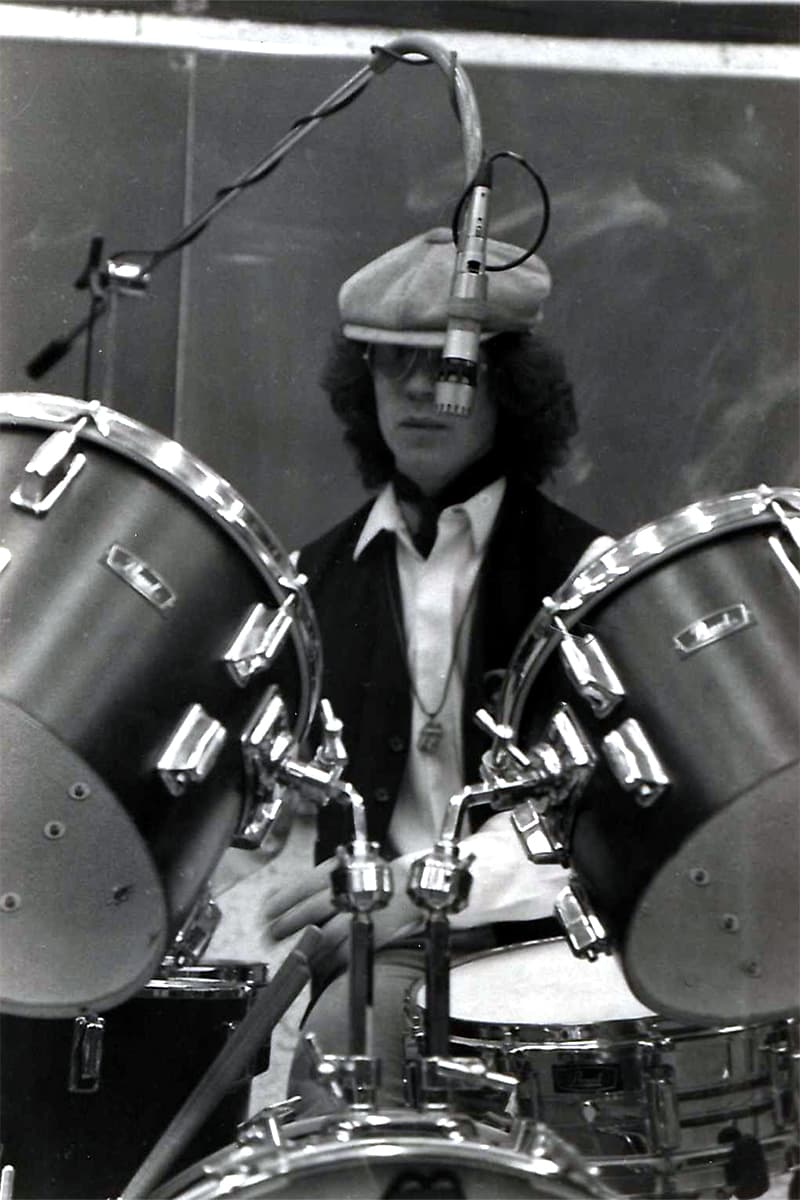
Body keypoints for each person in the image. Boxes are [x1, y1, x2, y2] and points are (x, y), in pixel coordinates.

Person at [263, 226, 608, 1107]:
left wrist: (427, 890)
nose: (418, 388)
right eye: (389, 364)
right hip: (389, 948)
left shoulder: (589, 576)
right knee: (332, 1070)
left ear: (510, 389)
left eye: (454, 368)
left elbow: (607, 823)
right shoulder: (313, 585)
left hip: (559, 935)